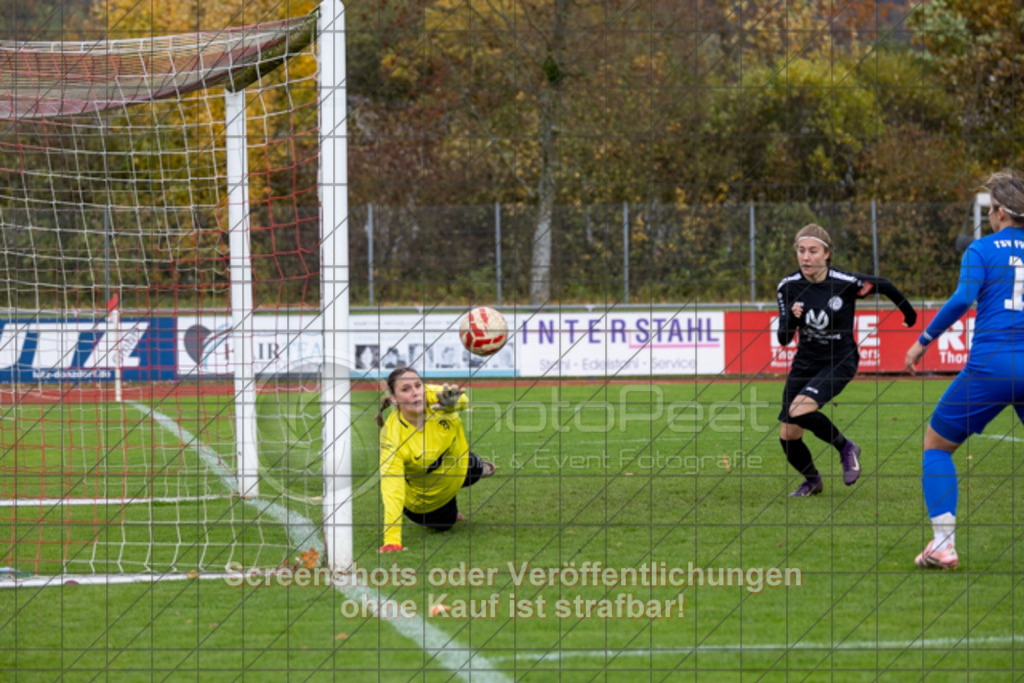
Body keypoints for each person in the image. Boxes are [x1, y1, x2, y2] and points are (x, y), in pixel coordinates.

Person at [904, 171, 1024, 570]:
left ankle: (943, 545)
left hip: (992, 366)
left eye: (990, 208)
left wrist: (922, 342)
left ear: (1000, 212)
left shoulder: (981, 249)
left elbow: (962, 299)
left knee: (937, 445)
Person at [777, 224, 917, 497]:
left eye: (813, 251)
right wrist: (792, 318)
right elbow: (783, 338)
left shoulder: (845, 282)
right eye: (801, 251)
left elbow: (884, 285)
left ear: (827, 254)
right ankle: (812, 482)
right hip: (805, 362)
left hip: (839, 360)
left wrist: (908, 313)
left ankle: (846, 447)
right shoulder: (788, 287)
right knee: (788, 435)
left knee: (799, 410)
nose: (806, 257)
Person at [376, 368, 496, 552]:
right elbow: (392, 488)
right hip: (427, 499)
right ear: (394, 399)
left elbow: (462, 399)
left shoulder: (434, 396)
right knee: (446, 524)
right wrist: (392, 539)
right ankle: (450, 511)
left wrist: (456, 403)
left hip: (457, 464)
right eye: (406, 389)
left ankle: (476, 469)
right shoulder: (391, 438)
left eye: (418, 385)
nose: (415, 392)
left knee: (473, 466)